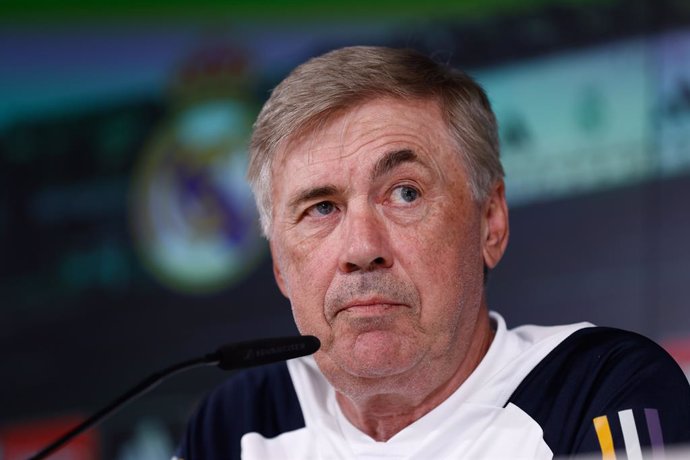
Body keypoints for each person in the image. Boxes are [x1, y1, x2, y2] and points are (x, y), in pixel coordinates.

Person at [173, 46, 690, 459]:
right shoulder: (238, 425)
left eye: (406, 193)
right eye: (322, 207)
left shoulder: (598, 392)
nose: (361, 249)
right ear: (281, 266)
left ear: (490, 221)